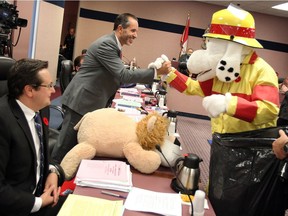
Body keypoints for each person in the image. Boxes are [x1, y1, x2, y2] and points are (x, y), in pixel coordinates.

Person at [51, 13, 171, 163]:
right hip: (82, 101)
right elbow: (123, 75)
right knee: (64, 147)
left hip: (90, 100)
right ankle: (49, 178)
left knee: (76, 146)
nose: (135, 35)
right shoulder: (107, 44)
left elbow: (116, 75)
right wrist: (155, 72)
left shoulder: (114, 45)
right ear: (120, 29)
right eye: (133, 31)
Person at [0, 58, 66, 215]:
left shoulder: (41, 108)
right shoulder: (2, 121)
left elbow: (42, 154)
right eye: (49, 86)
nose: (53, 90)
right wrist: (39, 202)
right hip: (18, 207)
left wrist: (52, 172)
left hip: (40, 194)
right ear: (29, 90)